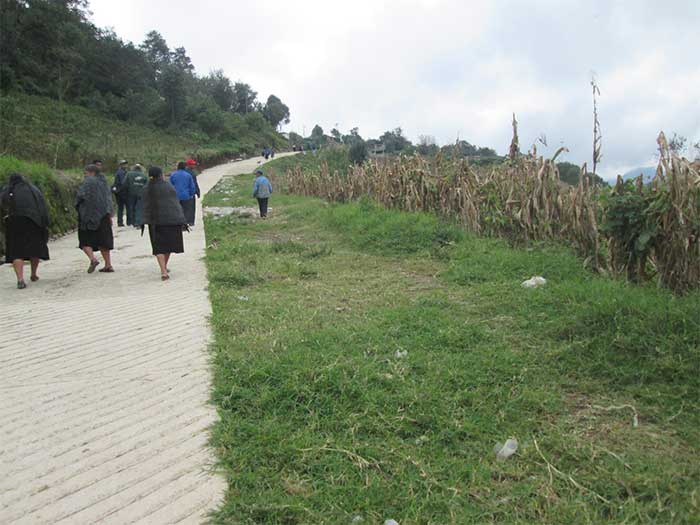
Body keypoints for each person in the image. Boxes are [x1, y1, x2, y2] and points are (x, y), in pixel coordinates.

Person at [0, 173, 50, 289]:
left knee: (16, 251)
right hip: (34, 222)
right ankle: (33, 274)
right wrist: (45, 223)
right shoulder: (33, 189)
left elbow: (3, 203)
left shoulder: (8, 189)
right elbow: (42, 206)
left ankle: (20, 279)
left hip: (14, 223)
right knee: (34, 248)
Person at [142, 166, 187, 281]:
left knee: (158, 247)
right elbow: (175, 203)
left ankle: (163, 271)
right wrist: (182, 219)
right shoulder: (168, 186)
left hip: (154, 222)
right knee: (168, 246)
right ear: (161, 175)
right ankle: (164, 268)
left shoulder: (147, 188)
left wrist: (143, 220)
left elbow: (144, 205)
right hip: (171, 221)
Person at [76, 163, 114, 273]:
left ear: (92, 173)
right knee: (104, 241)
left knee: (84, 241)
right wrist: (109, 213)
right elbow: (108, 199)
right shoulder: (104, 182)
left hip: (88, 216)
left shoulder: (87, 182)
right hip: (103, 215)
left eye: (85, 173)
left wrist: (79, 208)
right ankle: (108, 264)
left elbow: (80, 197)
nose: (84, 176)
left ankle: (93, 259)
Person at [169, 161, 196, 226]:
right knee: (186, 210)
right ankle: (185, 224)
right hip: (186, 196)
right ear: (185, 167)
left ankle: (179, 223)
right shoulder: (188, 175)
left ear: (177, 167)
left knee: (178, 210)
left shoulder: (173, 175)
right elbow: (192, 186)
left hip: (176, 196)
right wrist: (191, 194)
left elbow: (170, 186)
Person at [111, 159, 129, 226]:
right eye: (123, 164)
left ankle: (121, 221)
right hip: (121, 192)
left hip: (120, 192)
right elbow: (123, 182)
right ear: (120, 165)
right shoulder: (121, 172)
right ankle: (123, 222)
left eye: (126, 164)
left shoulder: (123, 171)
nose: (125, 165)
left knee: (121, 207)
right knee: (123, 207)